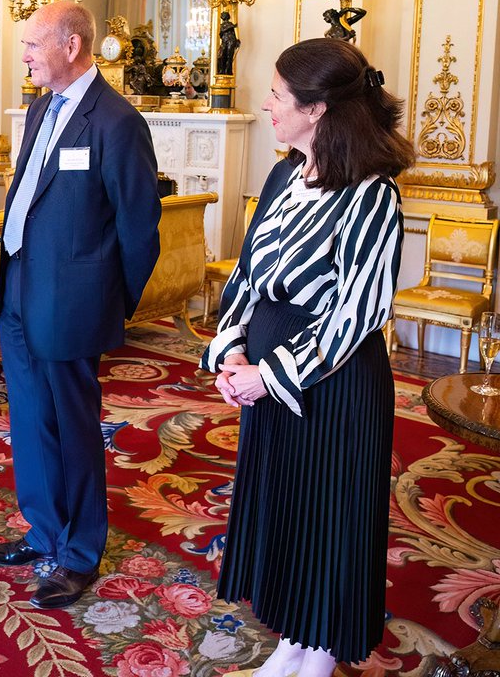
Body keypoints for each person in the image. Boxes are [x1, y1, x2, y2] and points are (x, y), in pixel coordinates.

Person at [201, 38, 413, 677]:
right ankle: (293, 641)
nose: (266, 104)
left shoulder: (372, 194)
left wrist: (268, 375)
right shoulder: (284, 174)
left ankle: (318, 655)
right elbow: (248, 273)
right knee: (288, 510)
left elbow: (360, 313)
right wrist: (232, 351)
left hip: (334, 383)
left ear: (317, 109)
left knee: (329, 519)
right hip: (266, 374)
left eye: (277, 95)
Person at [0, 1, 161, 610]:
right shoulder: (37, 111)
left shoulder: (116, 121)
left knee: (75, 429)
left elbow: (140, 225)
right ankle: (44, 530)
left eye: (34, 44)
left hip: (73, 303)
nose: (25, 54)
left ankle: (80, 552)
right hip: (20, 292)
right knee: (31, 422)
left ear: (73, 45)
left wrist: (112, 301)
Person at [217, 11, 240, 75]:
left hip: (231, 40)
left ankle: (228, 70)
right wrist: (232, 26)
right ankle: (222, 70)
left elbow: (234, 33)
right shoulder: (223, 25)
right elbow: (221, 32)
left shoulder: (231, 24)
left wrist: (237, 40)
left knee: (230, 56)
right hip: (225, 41)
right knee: (222, 55)